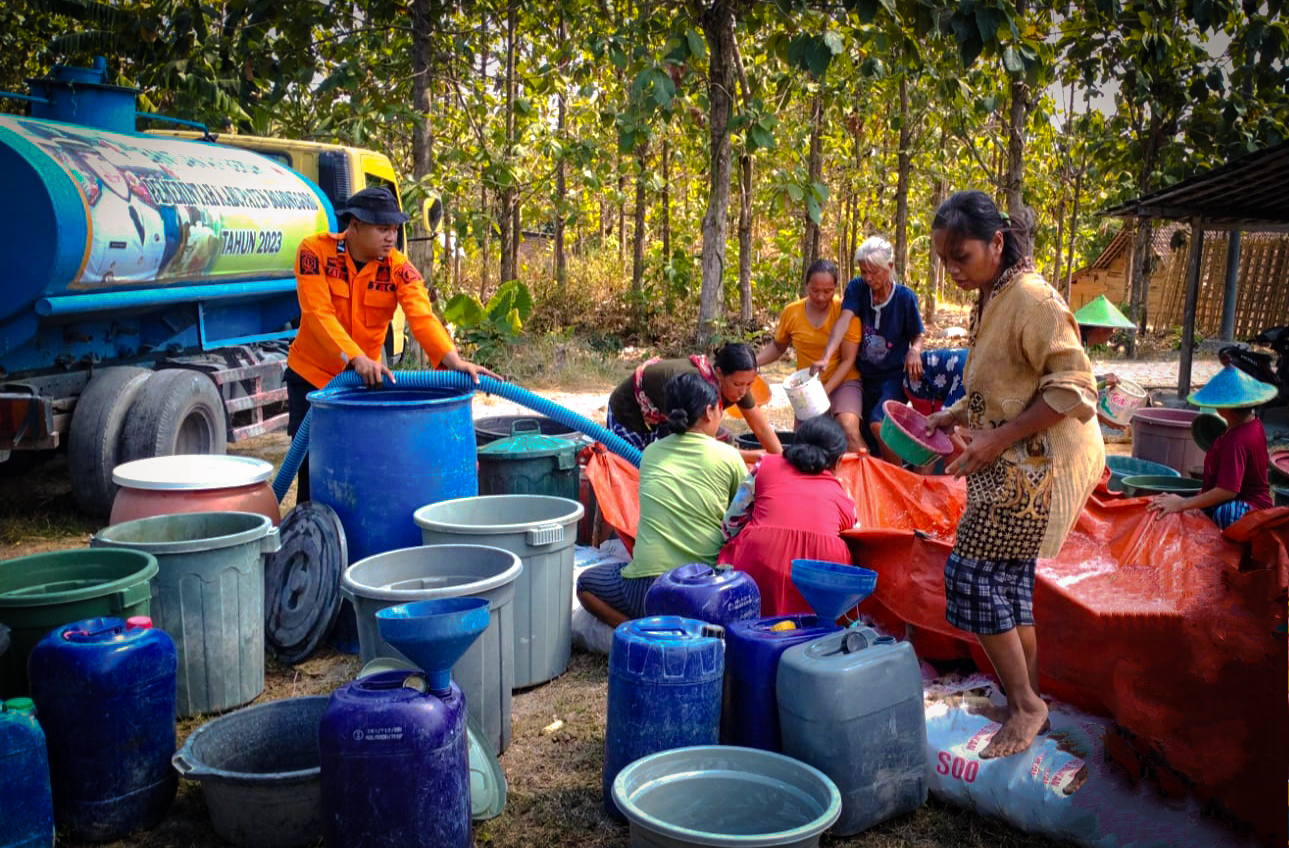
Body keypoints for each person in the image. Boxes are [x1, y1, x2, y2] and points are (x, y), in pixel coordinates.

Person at [923, 190, 1104, 759]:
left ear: (997, 242)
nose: (953, 270)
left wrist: (996, 439)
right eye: (945, 260)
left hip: (1037, 472)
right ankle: (1028, 699)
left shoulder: (1033, 299)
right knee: (1009, 586)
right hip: (1011, 463)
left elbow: (1075, 387)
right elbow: (1005, 382)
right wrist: (952, 415)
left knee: (973, 579)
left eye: (962, 257)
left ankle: (1026, 705)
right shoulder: (995, 291)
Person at [285, 186, 495, 501]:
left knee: (359, 464)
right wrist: (355, 358)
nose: (391, 237)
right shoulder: (314, 252)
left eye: (394, 229)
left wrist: (452, 360)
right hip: (312, 377)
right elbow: (318, 315)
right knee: (311, 467)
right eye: (383, 229)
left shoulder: (398, 268)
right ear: (354, 225)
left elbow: (422, 317)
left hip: (359, 384)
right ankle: (309, 536)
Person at [577, 373, 748, 627]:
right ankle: (664, 629)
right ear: (710, 412)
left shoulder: (650, 454)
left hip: (647, 590)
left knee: (585, 585)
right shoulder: (729, 457)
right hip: (703, 593)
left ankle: (636, 630)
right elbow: (744, 514)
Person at [718, 415, 858, 616]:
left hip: (760, 560)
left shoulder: (765, 466)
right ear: (838, 461)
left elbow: (731, 523)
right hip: (819, 577)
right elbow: (854, 532)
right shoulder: (841, 495)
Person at [814, 236, 925, 462]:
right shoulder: (858, 288)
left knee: (879, 423)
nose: (868, 277)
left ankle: (895, 476)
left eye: (874, 272)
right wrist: (826, 356)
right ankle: (876, 475)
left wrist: (915, 350)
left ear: (890, 267)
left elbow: (918, 334)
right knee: (860, 431)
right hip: (864, 374)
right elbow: (844, 321)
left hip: (893, 376)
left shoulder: (905, 298)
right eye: (864, 271)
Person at [757, 259, 865, 452]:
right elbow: (778, 346)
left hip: (844, 380)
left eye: (828, 291)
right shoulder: (792, 312)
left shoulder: (845, 312)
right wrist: (753, 364)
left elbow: (849, 360)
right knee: (805, 442)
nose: (821, 297)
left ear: (835, 288)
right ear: (806, 286)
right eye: (815, 290)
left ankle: (869, 475)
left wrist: (825, 391)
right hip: (806, 386)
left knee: (848, 428)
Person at [1146, 364, 1273, 529]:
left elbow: (1227, 491)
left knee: (1225, 514)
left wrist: (1182, 504)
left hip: (1249, 508)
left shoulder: (1236, 441)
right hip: (1249, 500)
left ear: (1224, 408)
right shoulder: (1254, 423)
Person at [606, 343, 781, 461]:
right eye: (738, 384)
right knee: (632, 467)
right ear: (719, 373)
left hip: (668, 412)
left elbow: (762, 428)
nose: (743, 391)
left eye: (750, 384)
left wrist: (782, 459)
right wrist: (758, 456)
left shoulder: (739, 382)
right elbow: (700, 447)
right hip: (630, 409)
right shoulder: (696, 389)